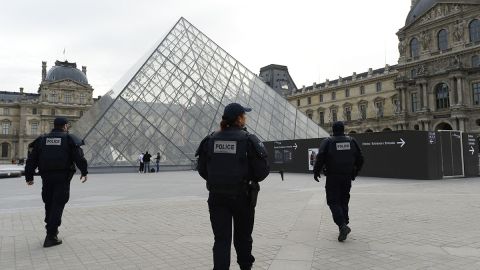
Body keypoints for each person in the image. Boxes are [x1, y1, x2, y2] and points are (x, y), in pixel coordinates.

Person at [196, 103, 270, 270]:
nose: (246, 118)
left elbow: (202, 170)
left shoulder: (210, 140)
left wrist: (218, 180)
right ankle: (245, 267)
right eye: (245, 115)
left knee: (221, 239)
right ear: (239, 118)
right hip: (242, 197)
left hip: (217, 197)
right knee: (243, 237)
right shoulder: (249, 140)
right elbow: (262, 172)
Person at [25, 117, 88, 248]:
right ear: (65, 126)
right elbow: (79, 157)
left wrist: (29, 176)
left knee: (49, 202)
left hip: (46, 177)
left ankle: (50, 228)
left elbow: (32, 159)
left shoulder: (42, 140)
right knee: (58, 204)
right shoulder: (69, 139)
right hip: (63, 177)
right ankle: (51, 235)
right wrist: (84, 171)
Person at [313, 121, 364, 242]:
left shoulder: (328, 141)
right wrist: (355, 172)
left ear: (333, 130)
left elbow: (320, 157)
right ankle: (344, 222)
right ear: (343, 129)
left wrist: (316, 171)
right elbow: (361, 158)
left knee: (333, 201)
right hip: (347, 176)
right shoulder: (351, 141)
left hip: (333, 176)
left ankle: (342, 225)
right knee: (344, 200)